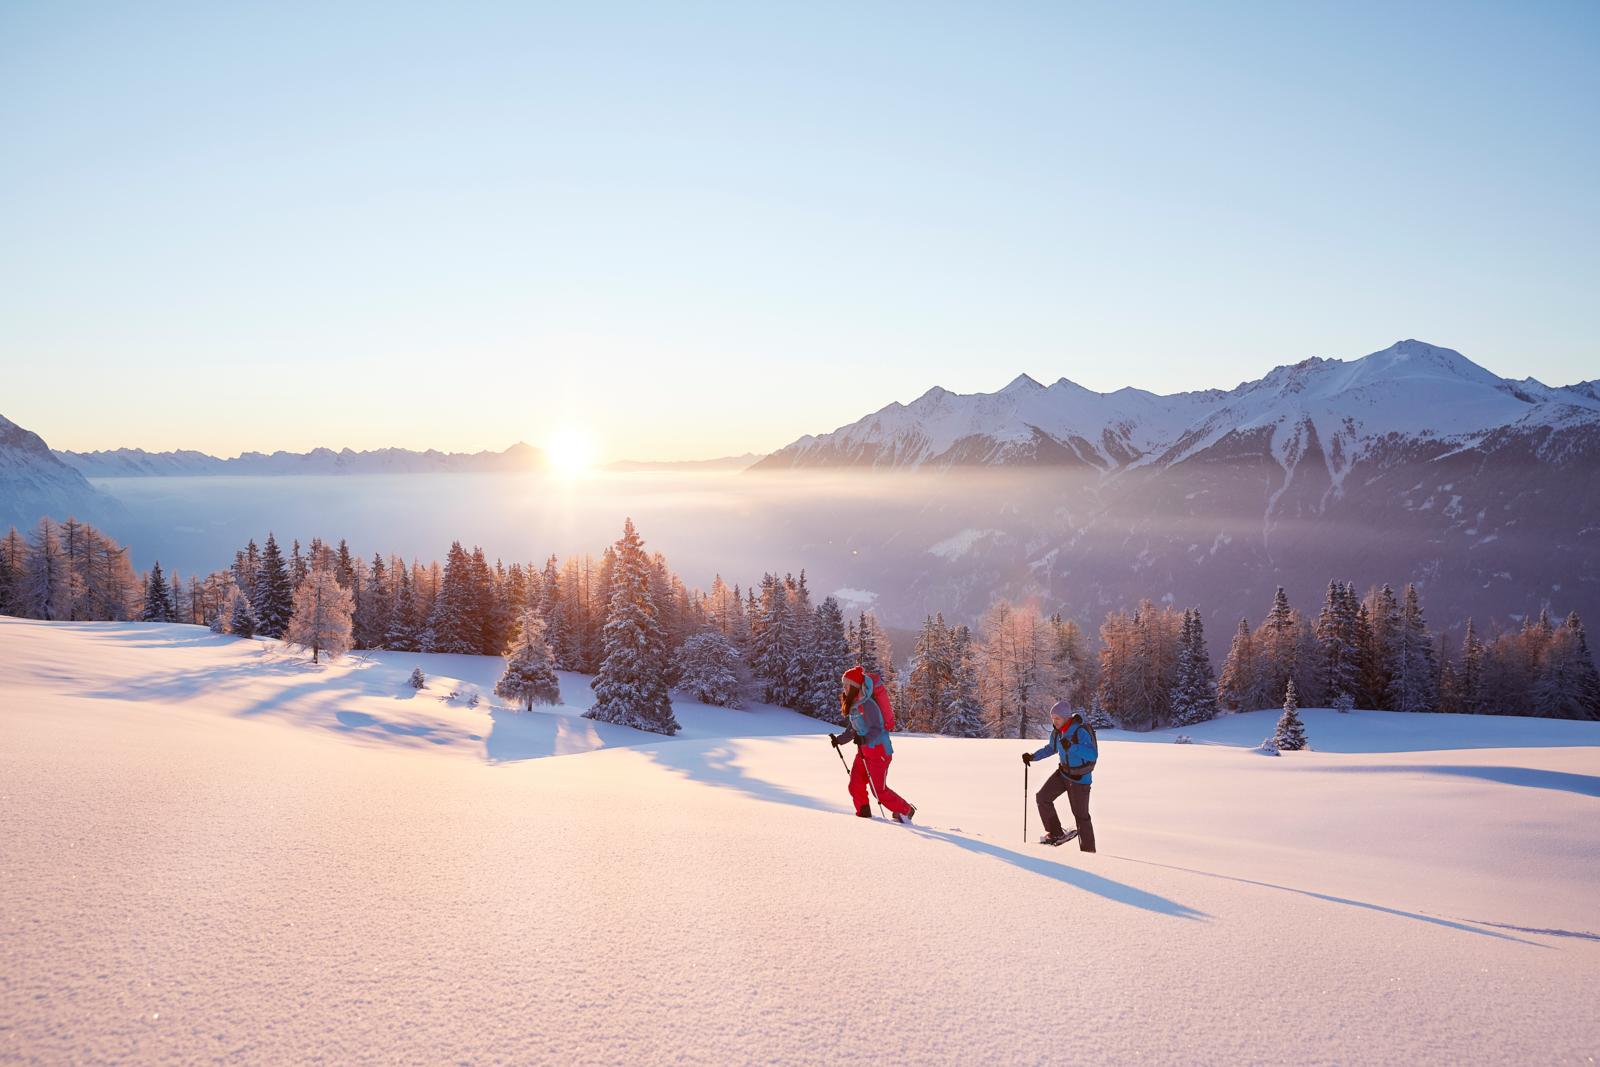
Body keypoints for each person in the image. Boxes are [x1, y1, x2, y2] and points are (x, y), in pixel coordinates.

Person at [830, 665, 917, 823]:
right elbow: (853, 728)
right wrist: (840, 740)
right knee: (855, 784)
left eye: (847, 685)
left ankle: (906, 810)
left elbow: (877, 728)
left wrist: (864, 739)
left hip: (879, 752)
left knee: (878, 791)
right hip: (864, 752)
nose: (844, 688)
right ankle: (864, 816)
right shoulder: (855, 705)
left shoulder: (868, 705)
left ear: (855, 687)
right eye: (844, 685)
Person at [1023, 701, 1097, 850]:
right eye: (1052, 718)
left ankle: (1088, 853)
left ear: (1066, 717)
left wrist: (1072, 747)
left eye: (1057, 718)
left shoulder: (1079, 732)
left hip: (1080, 779)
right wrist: (1033, 756)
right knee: (1042, 797)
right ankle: (1056, 833)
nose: (1054, 721)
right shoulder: (1057, 732)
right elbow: (1051, 748)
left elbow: (1092, 754)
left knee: (1081, 816)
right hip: (1063, 774)